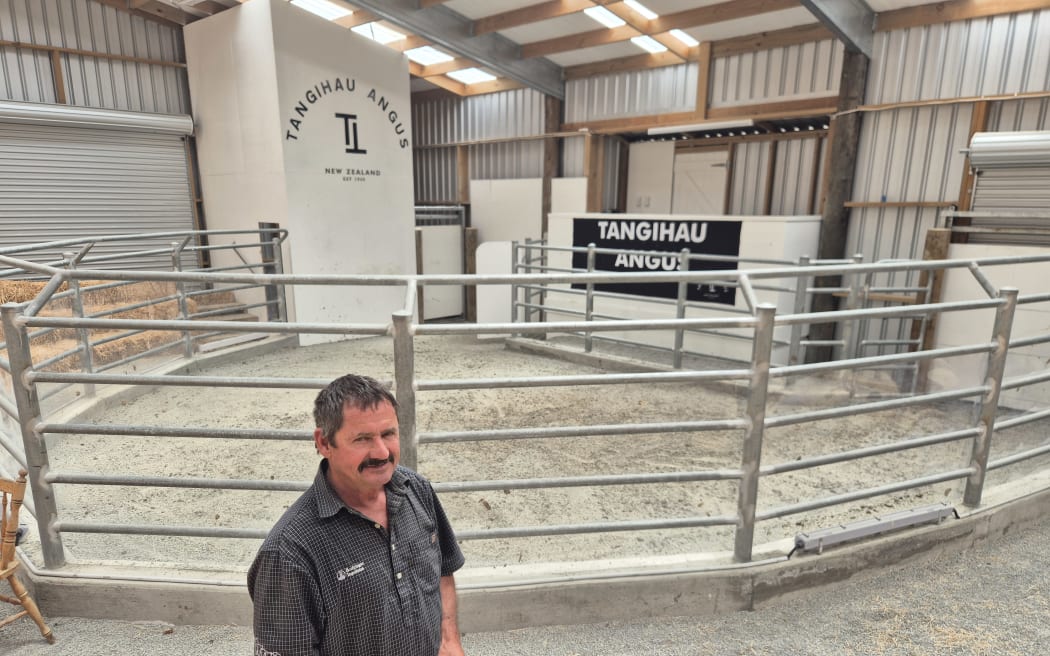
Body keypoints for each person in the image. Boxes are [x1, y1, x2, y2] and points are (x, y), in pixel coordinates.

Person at [249, 374, 465, 656]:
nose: (381, 451)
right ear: (324, 443)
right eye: (362, 439)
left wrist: (449, 641)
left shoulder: (417, 490)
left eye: (388, 433)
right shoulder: (288, 553)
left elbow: (443, 569)